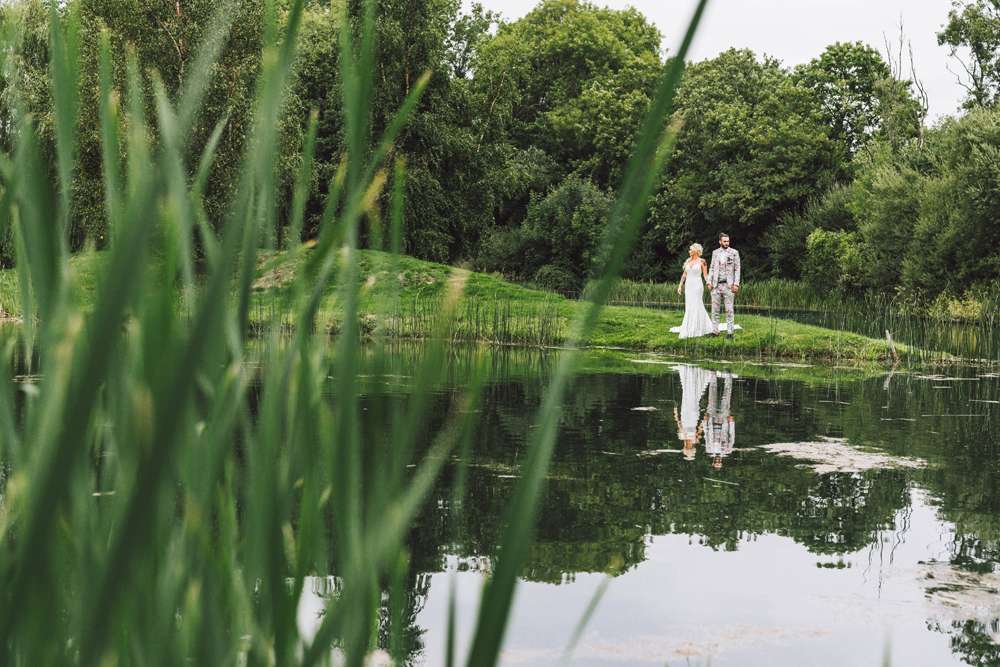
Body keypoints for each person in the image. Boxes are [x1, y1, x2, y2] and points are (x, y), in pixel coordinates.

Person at [669, 243, 715, 339]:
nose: (689, 251)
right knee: (689, 305)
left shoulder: (702, 261)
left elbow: (705, 275)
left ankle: (698, 327)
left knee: (697, 304)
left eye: (691, 249)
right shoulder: (688, 261)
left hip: (697, 285)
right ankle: (689, 326)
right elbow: (684, 275)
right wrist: (680, 286)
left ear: (696, 251)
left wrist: (709, 283)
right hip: (688, 286)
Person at [707, 233, 741, 338]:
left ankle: (730, 333)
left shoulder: (734, 253)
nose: (727, 243)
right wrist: (709, 282)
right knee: (715, 310)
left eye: (728, 241)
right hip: (716, 285)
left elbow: (737, 269)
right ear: (720, 242)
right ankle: (715, 331)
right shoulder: (715, 253)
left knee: (729, 310)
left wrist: (736, 284)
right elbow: (712, 268)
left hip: (729, 285)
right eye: (724, 241)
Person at [703, 371, 735, 469]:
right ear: (721, 461)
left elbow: (706, 434)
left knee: (712, 397)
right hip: (724, 421)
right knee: (726, 398)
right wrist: (731, 422)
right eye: (719, 462)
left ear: (713, 462)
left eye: (716, 462)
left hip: (711, 420)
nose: (717, 461)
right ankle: (728, 377)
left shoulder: (709, 449)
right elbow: (732, 436)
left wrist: (705, 421)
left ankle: (713, 375)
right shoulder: (727, 450)